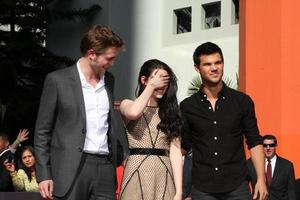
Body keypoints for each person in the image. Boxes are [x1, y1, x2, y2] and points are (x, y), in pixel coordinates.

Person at [34, 25, 128, 200]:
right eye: (109, 58)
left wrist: (121, 154)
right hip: (70, 170)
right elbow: (42, 131)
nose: (112, 63)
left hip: (105, 169)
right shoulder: (57, 80)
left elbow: (108, 124)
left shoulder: (109, 80)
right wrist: (44, 174)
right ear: (91, 54)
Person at [180, 42, 268, 200]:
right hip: (202, 188)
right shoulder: (187, 106)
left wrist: (261, 179)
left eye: (218, 62)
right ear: (197, 68)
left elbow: (254, 141)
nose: (214, 68)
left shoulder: (242, 101)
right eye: (207, 64)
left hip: (237, 186)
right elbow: (183, 146)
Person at [119, 59, 183, 200]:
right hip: (137, 169)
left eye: (165, 81)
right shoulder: (127, 103)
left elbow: (175, 151)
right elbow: (134, 112)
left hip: (164, 173)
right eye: (157, 79)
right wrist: (151, 85)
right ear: (144, 80)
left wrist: (179, 191)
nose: (161, 85)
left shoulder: (170, 112)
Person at [247, 134, 297, 200]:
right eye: (265, 145)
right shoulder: (251, 163)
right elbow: (244, 186)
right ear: (261, 146)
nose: (268, 148)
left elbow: (292, 192)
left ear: (275, 146)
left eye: (271, 145)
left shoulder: (287, 165)